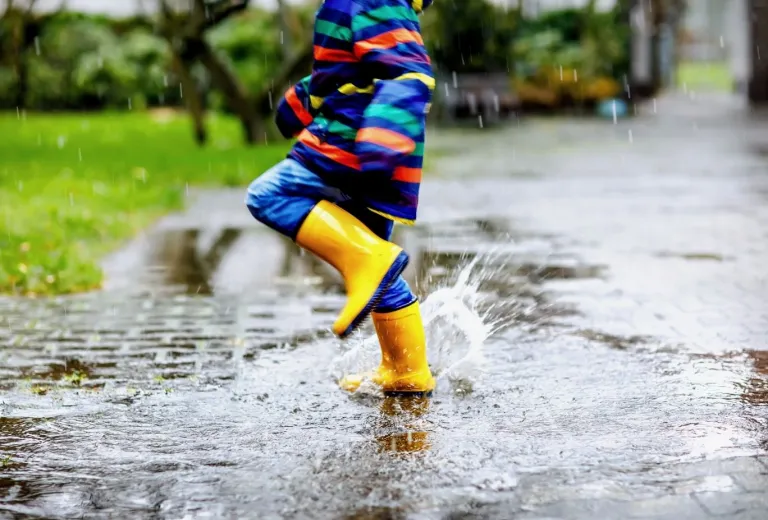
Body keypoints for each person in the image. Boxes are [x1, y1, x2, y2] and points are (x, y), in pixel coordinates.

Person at [245, 0, 436, 396]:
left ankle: (366, 261)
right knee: (378, 274)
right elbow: (344, 74)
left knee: (269, 195)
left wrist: (385, 134)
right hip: (369, 152)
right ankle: (407, 370)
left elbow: (408, 70)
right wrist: (301, 102)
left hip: (352, 145)